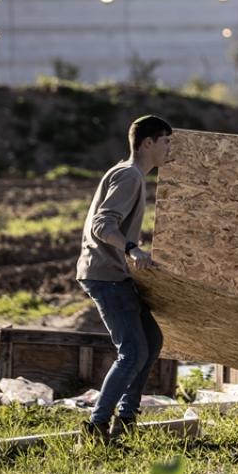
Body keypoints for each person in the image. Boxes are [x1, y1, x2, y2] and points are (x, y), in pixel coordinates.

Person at [76, 114, 173, 442]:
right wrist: (131, 248)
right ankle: (96, 425)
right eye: (166, 142)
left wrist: (131, 245)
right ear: (148, 143)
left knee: (152, 341)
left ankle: (127, 417)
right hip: (105, 275)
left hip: (114, 273)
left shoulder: (128, 173)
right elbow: (102, 225)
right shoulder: (129, 175)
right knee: (132, 352)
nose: (169, 148)